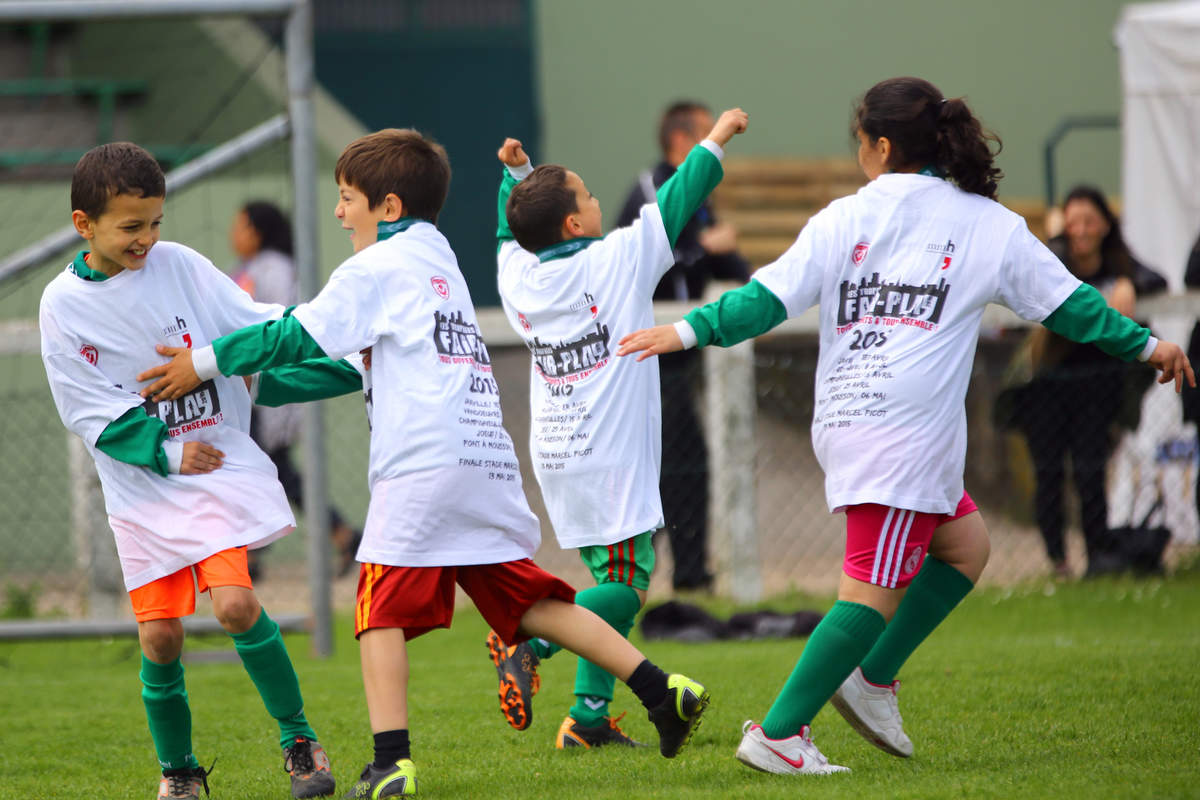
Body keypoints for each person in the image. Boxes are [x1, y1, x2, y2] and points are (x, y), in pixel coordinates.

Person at [616, 76, 1194, 775]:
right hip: (901, 437)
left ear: (882, 147)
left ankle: (872, 679)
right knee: (866, 593)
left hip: (856, 426)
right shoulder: (986, 223)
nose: (857, 153)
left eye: (859, 141)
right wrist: (1146, 343)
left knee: (967, 548)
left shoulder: (847, 219)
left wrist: (682, 330)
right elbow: (1071, 306)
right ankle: (778, 735)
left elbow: (762, 301)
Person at [136, 128, 712, 798]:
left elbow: (295, 334)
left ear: (385, 206)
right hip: (484, 462)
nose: (337, 211)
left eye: (345, 197)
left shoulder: (375, 268)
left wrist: (201, 363)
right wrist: (246, 384)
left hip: (424, 466)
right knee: (530, 604)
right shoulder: (437, 261)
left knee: (376, 611)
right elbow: (344, 368)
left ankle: (390, 763)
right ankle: (661, 689)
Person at [39, 143, 336, 800]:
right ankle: (179, 771)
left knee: (235, 603)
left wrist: (349, 355)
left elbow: (255, 329)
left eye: (154, 223)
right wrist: (166, 449)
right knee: (163, 640)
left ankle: (299, 741)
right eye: (130, 226)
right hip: (143, 490)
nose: (147, 239)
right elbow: (87, 409)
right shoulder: (62, 307)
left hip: (214, 472)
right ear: (84, 224)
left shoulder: (181, 266)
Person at [489, 107, 747, 749]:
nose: (601, 199)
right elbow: (680, 194)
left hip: (557, 453)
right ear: (576, 221)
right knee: (628, 587)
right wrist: (717, 137)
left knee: (612, 576)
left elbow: (507, 228)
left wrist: (515, 175)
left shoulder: (516, 274)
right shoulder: (620, 260)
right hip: (609, 457)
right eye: (589, 194)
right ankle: (531, 639)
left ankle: (589, 718)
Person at [614, 101, 752, 591]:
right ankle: (650, 574)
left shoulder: (698, 197)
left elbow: (720, 262)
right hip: (651, 354)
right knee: (673, 463)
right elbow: (648, 254)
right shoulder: (655, 189)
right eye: (704, 132)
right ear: (680, 140)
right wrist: (705, 247)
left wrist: (748, 276)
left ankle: (686, 572)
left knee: (684, 462)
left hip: (682, 354)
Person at [228, 200, 361, 578]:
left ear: (257, 231)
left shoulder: (276, 269)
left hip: (270, 386)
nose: (233, 235)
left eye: (240, 226)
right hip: (247, 388)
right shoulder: (248, 269)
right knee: (269, 471)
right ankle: (339, 536)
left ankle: (253, 555)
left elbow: (279, 328)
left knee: (272, 470)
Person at [1020, 186, 1148, 577]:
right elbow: (1049, 275)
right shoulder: (1054, 258)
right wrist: (1058, 236)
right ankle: (1057, 559)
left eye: (1089, 221)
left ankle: (1098, 556)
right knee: (1049, 473)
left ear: (1106, 225)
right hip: (1047, 385)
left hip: (1096, 388)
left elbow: (1156, 277)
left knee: (1091, 471)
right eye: (1073, 222)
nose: (1081, 230)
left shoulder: (1118, 264)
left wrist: (1127, 282)